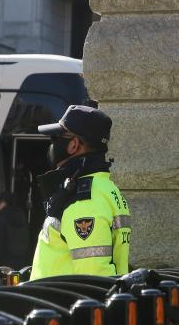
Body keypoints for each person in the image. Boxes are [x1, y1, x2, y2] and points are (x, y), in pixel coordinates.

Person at [29, 104, 131, 280]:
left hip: (63, 298)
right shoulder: (106, 188)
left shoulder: (83, 199)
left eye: (56, 138)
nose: (53, 145)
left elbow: (92, 278)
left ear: (74, 145)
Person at [0, 190, 30, 269]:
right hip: (19, 267)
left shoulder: (0, 220)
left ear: (3, 203)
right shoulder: (21, 219)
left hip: (2, 268)